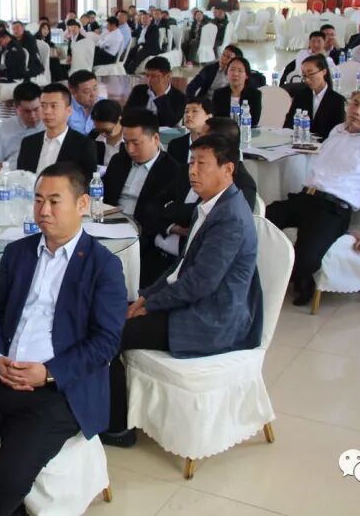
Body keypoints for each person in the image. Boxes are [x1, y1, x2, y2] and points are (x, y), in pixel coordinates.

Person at [0, 162, 127, 516]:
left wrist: (48, 372)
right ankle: (4, 501)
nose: (44, 210)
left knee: (6, 483)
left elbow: (106, 341)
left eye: (55, 201)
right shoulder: (19, 253)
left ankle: (2, 499)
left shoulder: (102, 265)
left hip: (58, 393)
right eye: (38, 200)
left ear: (82, 204)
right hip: (2, 377)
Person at [101, 133, 261, 447]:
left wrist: (150, 306)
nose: (193, 171)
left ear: (228, 169)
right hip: (194, 303)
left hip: (211, 319)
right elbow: (181, 267)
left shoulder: (230, 218)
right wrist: (146, 296)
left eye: (202, 164)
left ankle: (117, 427)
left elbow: (199, 283)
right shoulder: (210, 204)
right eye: (191, 163)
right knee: (108, 310)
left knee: (111, 332)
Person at [266, 88, 360, 306]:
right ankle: (263, 273)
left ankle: (302, 279)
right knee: (260, 220)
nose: (357, 111)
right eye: (355, 103)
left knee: (306, 258)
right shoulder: (337, 131)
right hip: (305, 198)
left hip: (333, 209)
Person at [102, 108, 182, 286]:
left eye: (136, 143)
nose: (130, 149)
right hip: (109, 226)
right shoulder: (118, 161)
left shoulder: (171, 171)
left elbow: (161, 214)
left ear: (155, 138)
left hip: (144, 237)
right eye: (126, 142)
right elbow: (105, 198)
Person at [15, 83, 97, 181]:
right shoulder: (28, 143)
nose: (47, 111)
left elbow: (87, 184)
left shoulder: (84, 145)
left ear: (69, 111)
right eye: (43, 106)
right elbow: (20, 180)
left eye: (53, 106)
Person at [283, 54, 346, 140]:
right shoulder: (300, 96)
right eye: (304, 75)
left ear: (324, 72)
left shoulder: (337, 100)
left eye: (310, 74)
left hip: (325, 145)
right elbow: (288, 125)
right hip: (300, 143)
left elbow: (337, 133)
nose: (307, 79)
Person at [0, 81, 44, 174]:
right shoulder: (5, 127)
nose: (32, 115)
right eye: (27, 111)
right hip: (13, 176)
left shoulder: (51, 125)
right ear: (16, 108)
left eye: (36, 109)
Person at [124, 56, 186, 127]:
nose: (149, 80)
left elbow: (170, 123)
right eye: (147, 76)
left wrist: (160, 94)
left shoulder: (180, 98)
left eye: (154, 76)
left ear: (168, 76)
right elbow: (126, 114)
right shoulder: (139, 90)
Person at [211, 56, 262, 124]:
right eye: (232, 69)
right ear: (227, 73)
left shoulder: (255, 94)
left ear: (246, 75)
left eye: (240, 71)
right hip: (224, 129)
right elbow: (216, 119)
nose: (235, 74)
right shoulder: (219, 94)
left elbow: (254, 121)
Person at [167, 96, 212, 164]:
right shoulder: (175, 145)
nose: (188, 115)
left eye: (194, 111)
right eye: (186, 111)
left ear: (209, 117)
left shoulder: (218, 145)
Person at [90, 99, 124, 168]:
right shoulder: (93, 138)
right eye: (98, 130)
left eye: (107, 131)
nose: (103, 134)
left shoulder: (131, 141)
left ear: (120, 120)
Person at [65, 70, 101, 134]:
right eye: (87, 91)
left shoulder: (105, 104)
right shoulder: (65, 108)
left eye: (95, 89)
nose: (93, 95)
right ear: (73, 92)